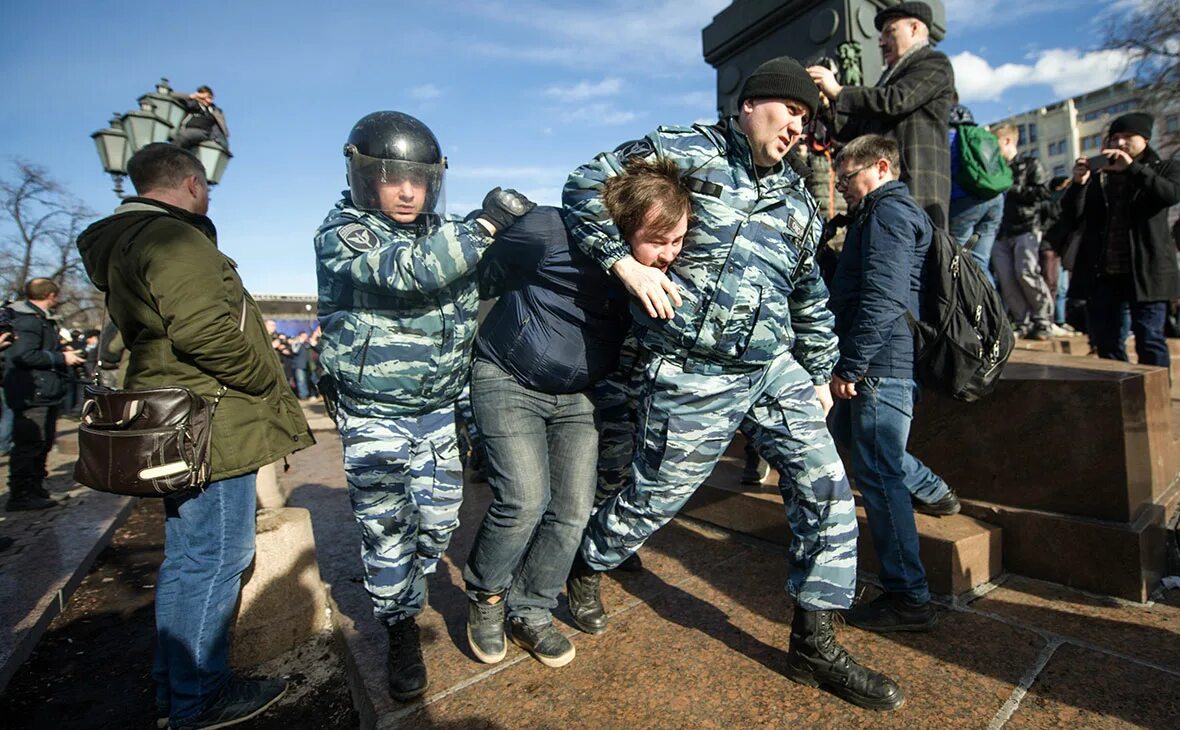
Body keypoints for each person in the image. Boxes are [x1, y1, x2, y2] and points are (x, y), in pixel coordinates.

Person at [562, 56, 903, 711]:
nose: (800, 128)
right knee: (653, 499)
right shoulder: (682, 150)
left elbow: (807, 296)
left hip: (773, 369)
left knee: (828, 488)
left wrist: (827, 374)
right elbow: (583, 185)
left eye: (809, 119)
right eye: (793, 112)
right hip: (692, 370)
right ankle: (589, 562)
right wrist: (623, 266)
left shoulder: (800, 201)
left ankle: (814, 645)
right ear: (753, 102)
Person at [76, 142, 313, 730]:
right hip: (209, 420)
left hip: (179, 413)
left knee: (189, 556)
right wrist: (264, 377)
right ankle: (200, 698)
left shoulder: (123, 242)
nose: (208, 195)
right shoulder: (175, 240)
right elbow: (206, 330)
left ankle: (174, 687)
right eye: (205, 186)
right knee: (217, 557)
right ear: (189, 183)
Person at [314, 111, 533, 701]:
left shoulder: (447, 233)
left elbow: (491, 277)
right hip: (374, 413)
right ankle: (399, 627)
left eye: (418, 178)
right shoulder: (346, 233)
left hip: (438, 411)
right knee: (387, 530)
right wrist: (488, 224)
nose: (407, 190)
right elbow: (410, 273)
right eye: (390, 177)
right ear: (364, 177)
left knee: (437, 525)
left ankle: (409, 588)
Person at [463, 159, 690, 669]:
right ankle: (486, 597)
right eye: (660, 240)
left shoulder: (651, 270)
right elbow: (477, 274)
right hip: (507, 379)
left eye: (677, 242)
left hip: (578, 397)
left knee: (570, 511)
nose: (669, 255)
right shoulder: (549, 232)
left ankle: (532, 610)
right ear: (625, 224)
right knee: (523, 499)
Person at [826, 133, 950, 632]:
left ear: (879, 167)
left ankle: (909, 597)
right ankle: (937, 491)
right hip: (880, 362)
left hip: (879, 365)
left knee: (880, 477)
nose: (843, 188)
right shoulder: (878, 213)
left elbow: (883, 298)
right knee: (872, 457)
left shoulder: (888, 213)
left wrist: (851, 366)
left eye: (848, 178)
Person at [807, 1, 956, 228]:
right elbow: (855, 131)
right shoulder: (887, 77)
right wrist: (827, 106)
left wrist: (839, 91)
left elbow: (896, 100)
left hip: (915, 187)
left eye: (889, 32)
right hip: (880, 192)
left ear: (914, 28)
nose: (881, 41)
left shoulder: (934, 63)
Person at [1062, 113, 1180, 368]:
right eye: (1115, 138)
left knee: (1149, 339)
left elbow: (1169, 194)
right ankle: (1122, 399)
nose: (1121, 143)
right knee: (1107, 342)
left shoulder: (1163, 168)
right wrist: (1080, 184)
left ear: (1145, 139)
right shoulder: (1101, 176)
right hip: (1106, 274)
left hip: (1148, 272)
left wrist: (1132, 169)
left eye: (1128, 137)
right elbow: (1074, 216)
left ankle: (1154, 403)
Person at [3, 279, 84, 511]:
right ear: (52, 295)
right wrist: (61, 358)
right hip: (32, 393)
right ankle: (21, 494)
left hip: (43, 391)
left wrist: (60, 351)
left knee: (42, 443)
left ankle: (36, 489)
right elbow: (24, 355)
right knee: (30, 444)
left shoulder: (39, 319)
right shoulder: (28, 321)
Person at [991, 123, 1054, 340]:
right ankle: (1022, 320)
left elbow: (1042, 193)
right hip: (1000, 231)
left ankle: (1043, 319)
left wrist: (1012, 187)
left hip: (1026, 227)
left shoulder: (1030, 164)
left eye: (994, 142)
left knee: (1026, 272)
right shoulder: (994, 168)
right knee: (1006, 278)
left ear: (1007, 141)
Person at [946, 104, 1004, 285]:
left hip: (965, 204)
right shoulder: (983, 136)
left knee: (960, 262)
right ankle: (993, 310)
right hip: (995, 201)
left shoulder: (947, 137)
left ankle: (971, 311)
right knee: (980, 262)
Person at [171, 85, 229, 151]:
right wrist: (193, 96)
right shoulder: (192, 105)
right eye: (204, 98)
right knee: (181, 137)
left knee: (184, 136)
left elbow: (222, 127)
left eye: (210, 98)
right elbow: (171, 95)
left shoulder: (215, 110)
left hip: (205, 132)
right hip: (188, 129)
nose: (208, 101)